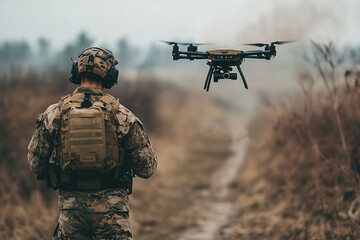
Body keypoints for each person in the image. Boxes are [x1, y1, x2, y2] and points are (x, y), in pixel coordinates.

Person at [27, 47, 157, 240]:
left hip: (71, 214)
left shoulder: (54, 113)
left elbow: (35, 163)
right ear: (110, 76)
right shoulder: (122, 115)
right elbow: (147, 168)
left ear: (76, 72)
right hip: (112, 215)